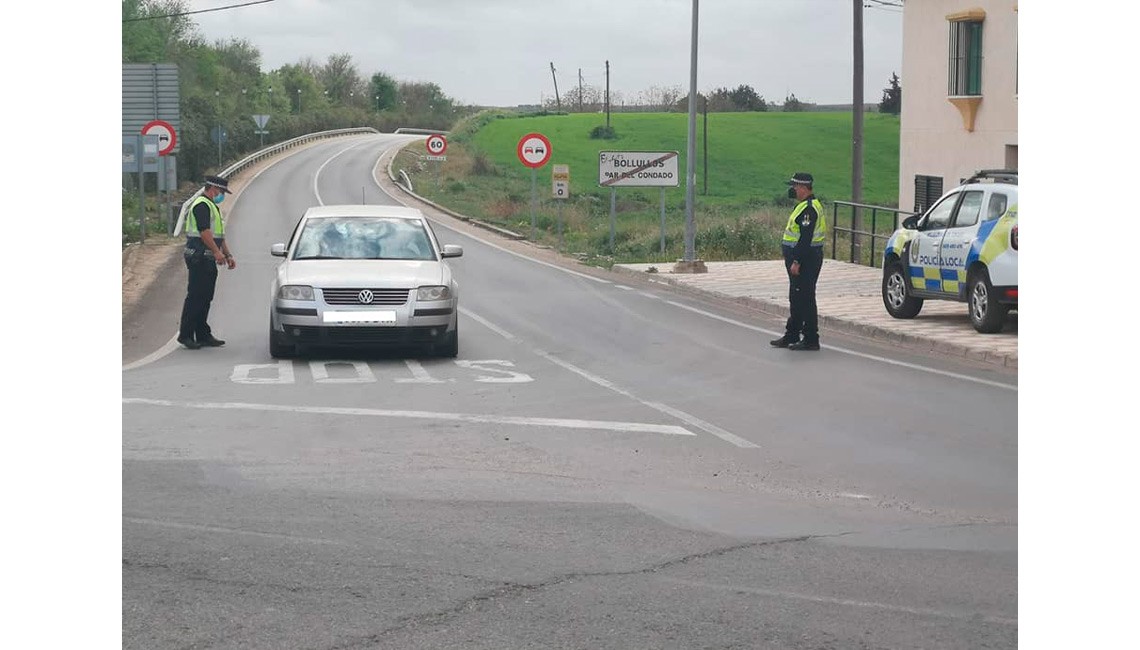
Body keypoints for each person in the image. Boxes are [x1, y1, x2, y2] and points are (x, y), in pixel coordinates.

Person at [770, 172, 827, 351]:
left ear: (803, 187)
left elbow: (805, 238)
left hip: (806, 259)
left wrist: (796, 261)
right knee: (796, 297)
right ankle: (792, 334)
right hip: (804, 258)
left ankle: (811, 338)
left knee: (806, 298)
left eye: (794, 186)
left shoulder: (809, 209)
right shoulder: (803, 206)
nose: (792, 189)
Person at [178, 175, 236, 349]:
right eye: (221, 191)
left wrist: (228, 254)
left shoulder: (212, 206)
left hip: (207, 258)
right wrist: (218, 252)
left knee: (205, 297)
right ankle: (186, 335)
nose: (222, 195)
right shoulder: (201, 205)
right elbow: (204, 232)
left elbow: (219, 236)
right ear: (213, 188)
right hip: (198, 256)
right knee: (196, 297)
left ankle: (203, 334)